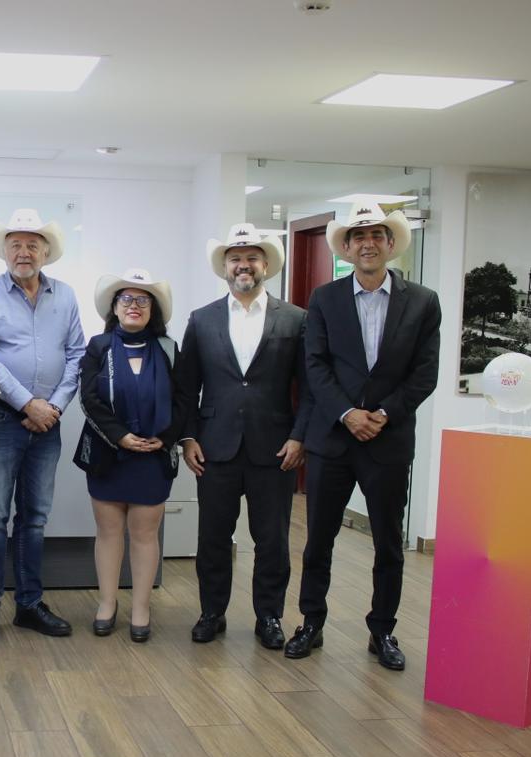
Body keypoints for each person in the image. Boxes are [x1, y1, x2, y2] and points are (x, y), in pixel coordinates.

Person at [286, 198, 441, 671]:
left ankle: (383, 630)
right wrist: (347, 413)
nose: (368, 243)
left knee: (388, 543)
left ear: (391, 244)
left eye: (376, 235)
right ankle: (311, 622)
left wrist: (384, 414)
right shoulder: (324, 298)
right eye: (359, 236)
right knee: (319, 540)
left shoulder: (423, 302)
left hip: (388, 442)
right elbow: (315, 366)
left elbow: (425, 373)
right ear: (347, 248)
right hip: (332, 440)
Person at [173, 224, 314, 650]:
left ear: (266, 264)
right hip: (214, 447)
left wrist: (300, 437)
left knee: (272, 540)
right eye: (235, 258)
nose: (243, 265)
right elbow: (186, 387)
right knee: (213, 538)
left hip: (276, 448)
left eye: (252, 257)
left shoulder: (295, 319)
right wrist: (188, 438)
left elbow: (310, 388)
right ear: (224, 267)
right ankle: (211, 612)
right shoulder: (202, 319)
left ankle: (269, 616)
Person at [0, 209, 86, 644]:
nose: (24, 252)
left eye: (32, 245)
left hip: (47, 425)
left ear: (46, 252)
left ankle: (29, 605)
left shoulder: (66, 296)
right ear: (4, 251)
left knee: (34, 519)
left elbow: (76, 354)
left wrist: (53, 407)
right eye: (16, 244)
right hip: (1, 419)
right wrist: (27, 403)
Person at [75, 269, 182, 642]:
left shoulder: (169, 349)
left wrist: (163, 439)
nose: (134, 306)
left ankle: (141, 608)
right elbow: (89, 398)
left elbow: (184, 400)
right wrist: (120, 436)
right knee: (108, 533)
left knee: (144, 534)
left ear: (153, 309)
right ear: (115, 307)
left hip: (154, 455)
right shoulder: (98, 346)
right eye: (126, 299)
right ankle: (107, 604)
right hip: (108, 454)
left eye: (142, 300)